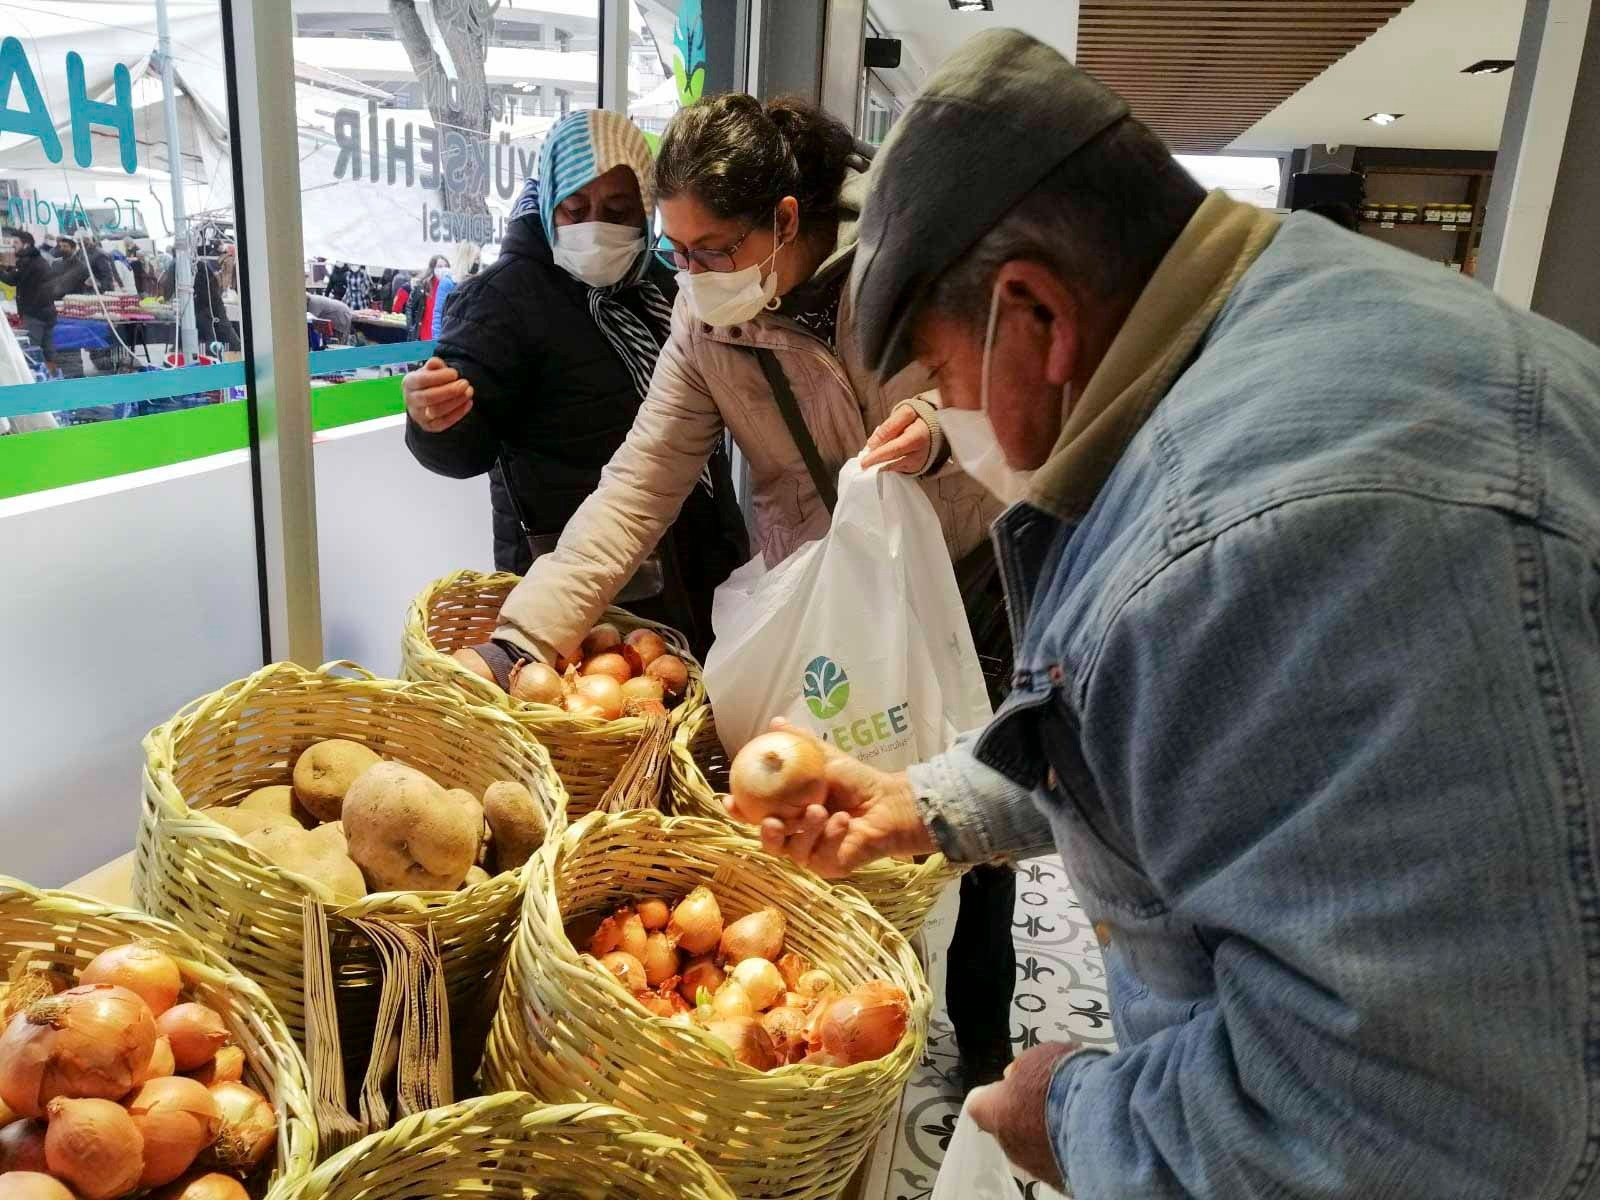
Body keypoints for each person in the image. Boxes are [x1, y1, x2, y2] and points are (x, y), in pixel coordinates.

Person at [739, 28, 1600, 1199]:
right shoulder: (1322, 319)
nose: (947, 419)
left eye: (940, 381)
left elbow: (1400, 1128)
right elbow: (1209, 743)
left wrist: (1081, 1116)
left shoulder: (1275, 538)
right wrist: (928, 802)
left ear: (1032, 314)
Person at [452, 94, 1019, 1091]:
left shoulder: (906, 271)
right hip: (813, 595)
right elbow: (635, 486)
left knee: (969, 810)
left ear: (787, 224)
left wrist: (934, 427)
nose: (694, 276)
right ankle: (842, 1013)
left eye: (716, 249)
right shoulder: (704, 332)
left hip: (959, 572)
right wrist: (522, 637)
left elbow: (997, 385)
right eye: (677, 252)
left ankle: (980, 1030)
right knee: (824, 800)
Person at [401, 108, 747, 656]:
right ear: (549, 204)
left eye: (617, 210)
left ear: (646, 213)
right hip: (581, 583)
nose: (596, 226)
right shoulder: (503, 300)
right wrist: (433, 422)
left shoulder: (667, 288)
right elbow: (463, 451)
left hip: (699, 556)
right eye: (575, 208)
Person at [0, 227, 88, 377]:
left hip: (35, 313)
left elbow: (12, 280)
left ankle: (36, 381)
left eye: (15, 242)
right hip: (47, 311)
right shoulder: (37, 259)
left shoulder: (29, 261)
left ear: (26, 244)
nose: (12, 245)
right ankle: (53, 378)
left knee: (32, 350)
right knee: (48, 350)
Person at [405, 254, 449, 340]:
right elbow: (410, 307)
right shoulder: (423, 285)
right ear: (433, 268)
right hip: (422, 335)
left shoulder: (452, 286)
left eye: (446, 266)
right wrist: (411, 327)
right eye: (439, 266)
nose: (443, 269)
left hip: (440, 336)